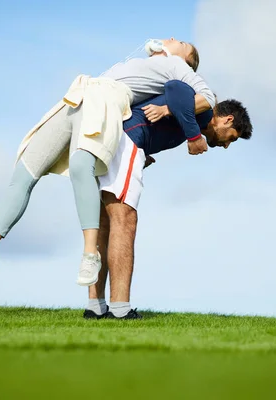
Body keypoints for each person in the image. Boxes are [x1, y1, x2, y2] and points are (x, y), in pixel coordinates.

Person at [0, 38, 216, 288]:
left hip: (105, 102)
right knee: (26, 168)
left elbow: (208, 98)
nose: (172, 38)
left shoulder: (176, 66)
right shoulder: (142, 63)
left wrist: (180, 120)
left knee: (80, 167)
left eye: (181, 42)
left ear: (186, 58)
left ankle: (90, 255)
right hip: (79, 96)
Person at [83, 80, 253, 319]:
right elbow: (175, 87)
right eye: (231, 138)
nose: (226, 145)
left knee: (106, 221)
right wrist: (194, 135)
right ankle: (120, 310)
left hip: (114, 140)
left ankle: (95, 307)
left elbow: (164, 108)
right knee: (125, 218)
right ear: (228, 120)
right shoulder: (204, 109)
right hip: (127, 141)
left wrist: (147, 153)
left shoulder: (190, 116)